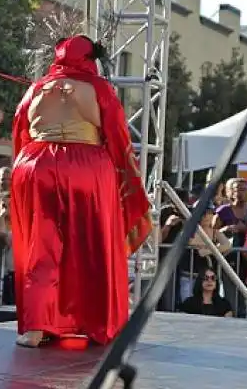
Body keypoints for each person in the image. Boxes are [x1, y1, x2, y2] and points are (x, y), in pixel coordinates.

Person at [10, 35, 151, 348]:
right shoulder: (98, 88)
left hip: (36, 163)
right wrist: (127, 179)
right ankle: (95, 324)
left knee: (40, 246)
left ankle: (36, 328)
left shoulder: (37, 88)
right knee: (92, 244)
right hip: (86, 166)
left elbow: (20, 128)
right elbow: (117, 135)